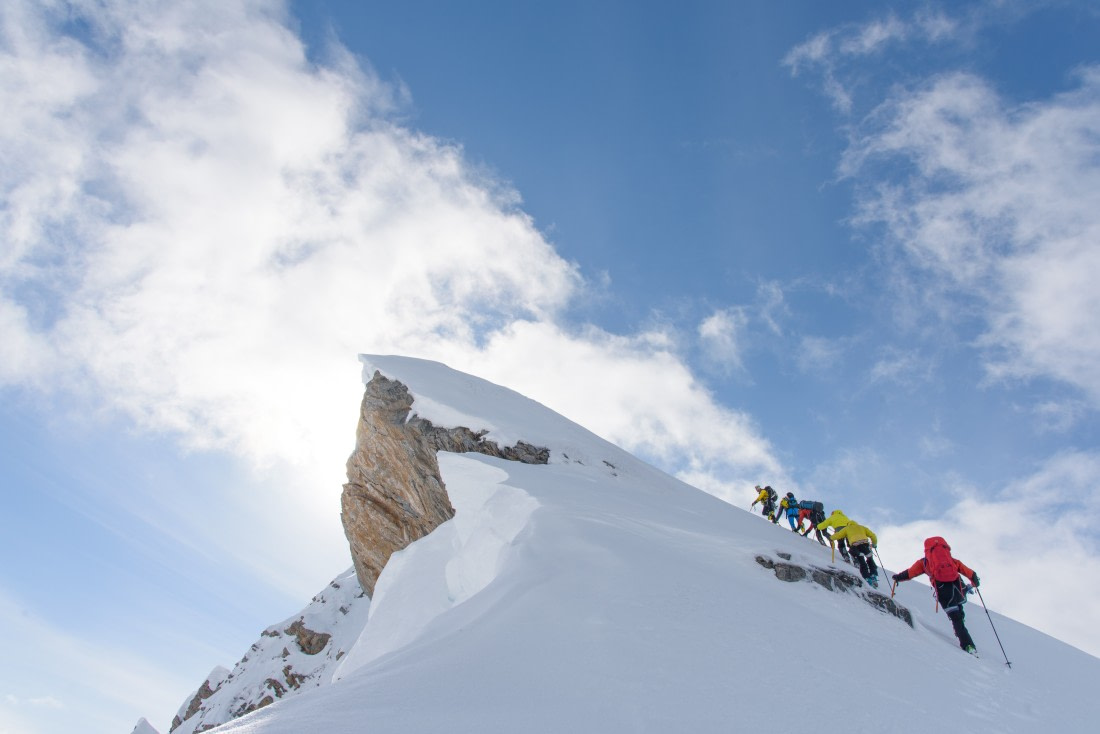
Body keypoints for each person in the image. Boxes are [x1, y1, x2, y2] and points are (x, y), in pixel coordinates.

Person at [892, 537, 981, 655]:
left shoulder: (924, 563)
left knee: (956, 618)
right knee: (959, 613)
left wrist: (897, 577)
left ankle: (968, 645)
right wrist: (975, 582)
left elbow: (910, 573)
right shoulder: (952, 561)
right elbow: (971, 573)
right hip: (958, 590)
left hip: (944, 593)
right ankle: (963, 633)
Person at [829, 520, 879, 587]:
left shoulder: (847, 528)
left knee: (862, 562)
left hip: (855, 546)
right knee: (870, 559)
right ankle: (873, 575)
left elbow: (839, 535)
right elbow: (873, 535)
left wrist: (831, 538)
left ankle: (867, 578)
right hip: (865, 545)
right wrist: (874, 544)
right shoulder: (862, 527)